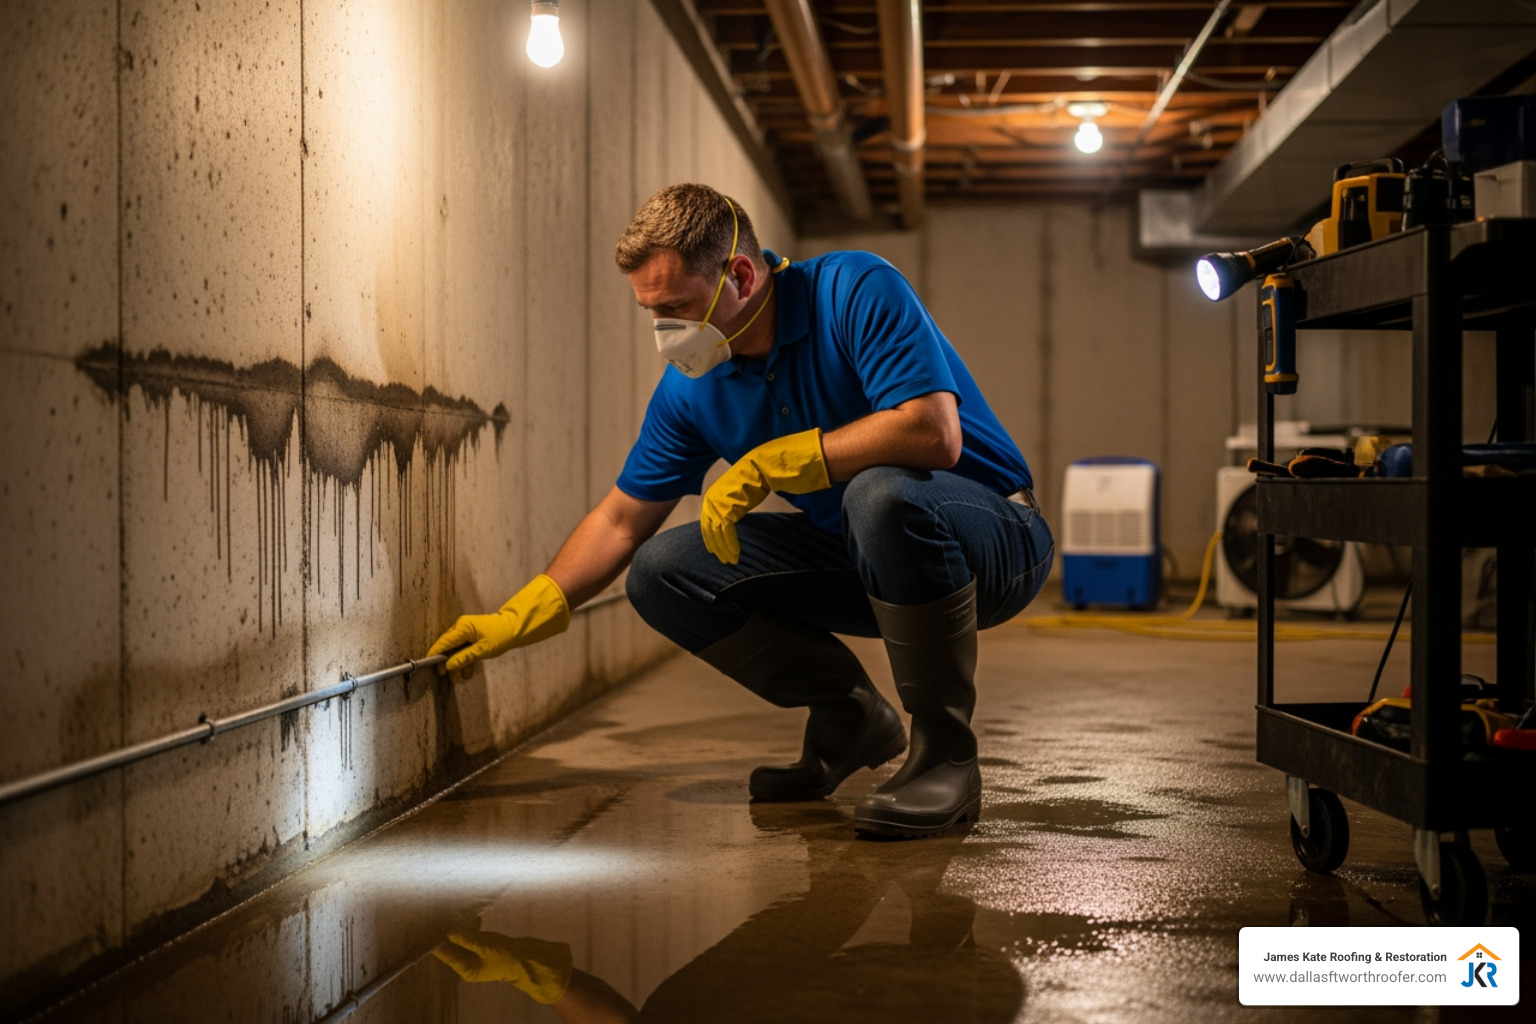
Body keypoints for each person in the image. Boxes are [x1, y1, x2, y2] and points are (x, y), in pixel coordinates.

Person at [428, 183, 1053, 837]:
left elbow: (932, 432)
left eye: (676, 307)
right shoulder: (693, 388)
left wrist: (770, 463)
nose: (664, 332)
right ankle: (849, 716)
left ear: (742, 275)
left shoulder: (854, 290)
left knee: (881, 493)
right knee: (663, 569)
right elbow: (621, 520)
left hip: (991, 537)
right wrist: (522, 611)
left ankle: (945, 756)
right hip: (862, 551)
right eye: (651, 312)